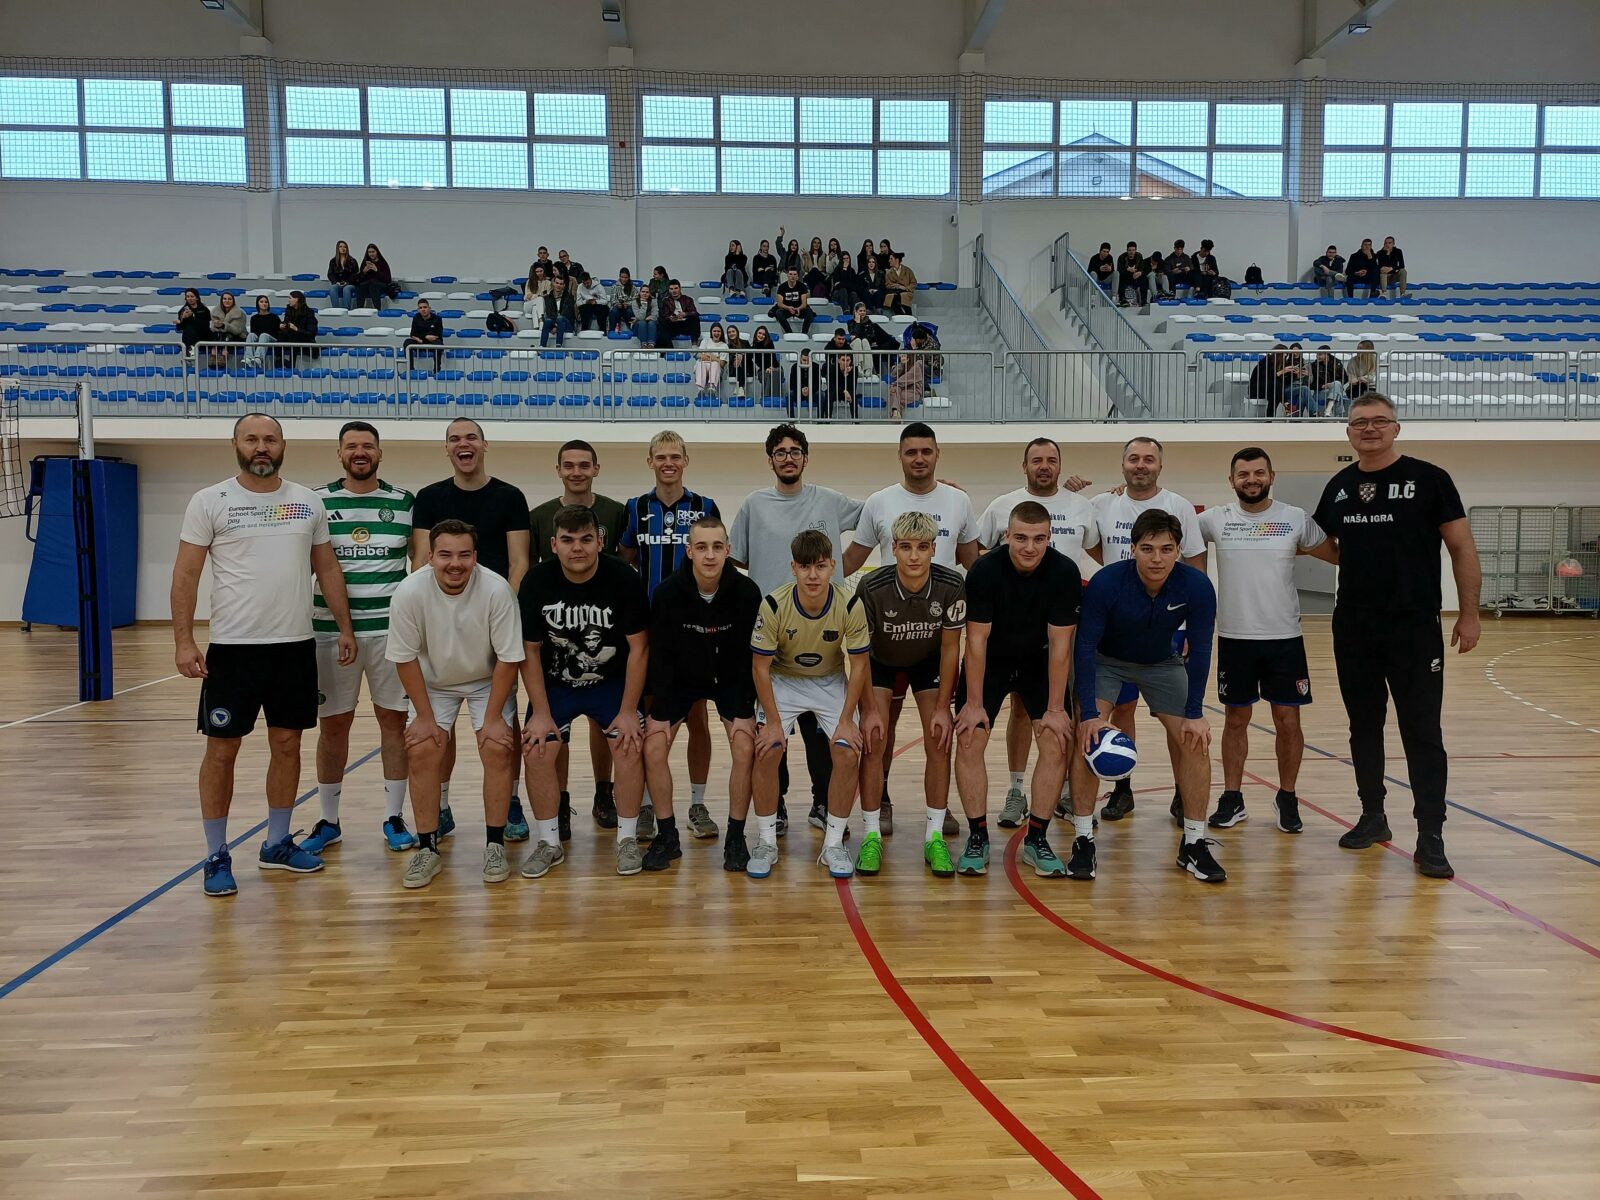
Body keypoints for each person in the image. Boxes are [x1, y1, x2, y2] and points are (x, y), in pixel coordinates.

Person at [170, 413, 356, 897]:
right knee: (222, 751)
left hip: (294, 648)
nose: (261, 447)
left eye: (270, 439)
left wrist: (344, 627)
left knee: (288, 745)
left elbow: (327, 569)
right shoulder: (210, 501)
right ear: (235, 444)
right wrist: (184, 641)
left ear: (282, 445)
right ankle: (216, 853)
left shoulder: (307, 501)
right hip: (233, 651)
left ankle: (276, 843)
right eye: (251, 438)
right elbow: (186, 574)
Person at [1312, 393, 1481, 879]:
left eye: (1379, 421)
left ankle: (1431, 834)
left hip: (1413, 627)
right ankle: (1373, 815)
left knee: (1422, 731)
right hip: (1354, 626)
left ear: (1395, 428)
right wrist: (1355, 559)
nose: (1369, 429)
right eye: (1359, 422)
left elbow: (1461, 547)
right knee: (1363, 726)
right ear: (1348, 432)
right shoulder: (1340, 487)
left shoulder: (1430, 479)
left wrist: (1469, 614)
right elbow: (1322, 541)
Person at [730, 424, 865, 837]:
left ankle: (823, 802)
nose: (788, 458)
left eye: (795, 451)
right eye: (780, 452)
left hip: (822, 636)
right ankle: (778, 805)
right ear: (770, 459)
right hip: (772, 635)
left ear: (805, 457)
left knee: (819, 734)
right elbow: (738, 557)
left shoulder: (830, 500)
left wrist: (934, 493)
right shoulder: (754, 505)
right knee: (774, 733)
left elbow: (877, 515)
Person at [844, 423, 978, 835]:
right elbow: (852, 559)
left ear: (937, 454)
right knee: (878, 732)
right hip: (886, 637)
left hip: (933, 638)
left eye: (926, 451)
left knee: (939, 733)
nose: (919, 458)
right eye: (911, 451)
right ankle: (880, 800)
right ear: (900, 456)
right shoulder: (880, 502)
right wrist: (810, 588)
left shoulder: (959, 500)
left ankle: (939, 809)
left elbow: (974, 561)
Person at [1074, 511, 1222, 882]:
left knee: (1195, 740)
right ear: (1133, 549)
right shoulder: (1107, 582)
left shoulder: (1197, 586)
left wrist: (1195, 712)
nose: (1157, 558)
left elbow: (1201, 649)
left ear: (1178, 551)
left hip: (1162, 663)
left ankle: (1194, 843)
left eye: (1166, 549)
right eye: (1148, 548)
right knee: (1087, 737)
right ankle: (1082, 840)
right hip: (1106, 661)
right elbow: (1085, 646)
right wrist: (1089, 713)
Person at [1199, 447, 1338, 834]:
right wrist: (1117, 494)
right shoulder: (1214, 519)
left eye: (1259, 473)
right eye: (1243, 474)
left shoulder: (1295, 518)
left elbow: (1339, 555)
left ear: (1271, 477)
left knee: (1288, 721)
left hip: (1284, 639)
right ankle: (1232, 797)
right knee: (1235, 720)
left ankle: (1287, 797)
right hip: (1235, 637)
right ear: (1231, 480)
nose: (1251, 480)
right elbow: (1167, 527)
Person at [300, 421, 418, 859]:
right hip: (331, 635)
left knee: (394, 723)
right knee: (334, 727)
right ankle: (328, 820)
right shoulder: (316, 501)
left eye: (368, 446)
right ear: (340, 454)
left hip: (392, 635)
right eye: (351, 446)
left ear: (380, 454)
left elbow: (420, 565)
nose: (360, 452)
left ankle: (393, 816)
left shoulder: (404, 502)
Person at [411, 417, 532, 840]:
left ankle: (510, 801)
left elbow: (519, 562)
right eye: (454, 439)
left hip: (493, 627)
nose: (463, 444)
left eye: (471, 437)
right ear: (447, 449)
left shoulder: (510, 496)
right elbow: (420, 561)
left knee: (501, 727)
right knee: (437, 730)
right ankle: (441, 805)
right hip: (440, 630)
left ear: (484, 445)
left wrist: (498, 617)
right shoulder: (429, 498)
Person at [386, 519, 523, 889]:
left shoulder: (497, 590)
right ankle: (427, 848)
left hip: (487, 680)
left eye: (464, 555)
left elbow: (509, 658)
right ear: (430, 557)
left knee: (496, 746)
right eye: (445, 555)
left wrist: (493, 719)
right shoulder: (409, 592)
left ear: (475, 557)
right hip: (433, 683)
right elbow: (404, 658)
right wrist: (424, 718)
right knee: (422, 749)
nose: (455, 563)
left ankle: (495, 845)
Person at [519, 505, 650, 878]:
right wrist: (540, 712)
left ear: (600, 541)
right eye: (568, 540)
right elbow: (529, 651)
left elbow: (639, 648)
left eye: (586, 539)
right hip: (556, 685)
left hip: (610, 684)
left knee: (628, 742)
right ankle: (549, 843)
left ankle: (627, 839)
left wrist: (629, 710)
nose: (577, 548)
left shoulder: (623, 578)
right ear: (554, 544)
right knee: (538, 748)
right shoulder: (536, 581)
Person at [975, 437, 1101, 827]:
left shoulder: (1081, 506)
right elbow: (976, 553)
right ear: (1024, 465)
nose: (1044, 466)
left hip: (1064, 627)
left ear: (1060, 466)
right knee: (1020, 709)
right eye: (1036, 460)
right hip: (1013, 631)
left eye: (1051, 460)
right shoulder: (1002, 505)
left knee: (1067, 709)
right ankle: (1016, 791)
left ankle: (1064, 792)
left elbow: (1101, 554)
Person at [952, 502, 1081, 878]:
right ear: (1007, 535)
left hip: (1039, 662)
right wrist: (973, 704)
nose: (1029, 547)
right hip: (991, 662)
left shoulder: (1064, 572)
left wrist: (1055, 709)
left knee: (1056, 740)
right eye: (1021, 538)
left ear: (1049, 538)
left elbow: (1060, 645)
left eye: (1039, 539)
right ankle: (978, 837)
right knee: (970, 737)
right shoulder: (984, 570)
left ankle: (1037, 839)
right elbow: (976, 641)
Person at [1088, 436, 1206, 823]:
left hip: (1169, 625)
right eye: (1134, 459)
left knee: (1176, 717)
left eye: (1149, 459)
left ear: (1160, 466)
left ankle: (1182, 791)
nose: (1141, 465)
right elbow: (1095, 549)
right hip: (1118, 626)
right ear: (1123, 464)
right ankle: (1122, 788)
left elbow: (1195, 564)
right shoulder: (1102, 504)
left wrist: (1188, 626)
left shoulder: (1179, 506)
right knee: (1121, 708)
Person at [748, 530, 873, 880]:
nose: (813, 575)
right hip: (783, 679)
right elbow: (759, 668)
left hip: (829, 680)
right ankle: (766, 842)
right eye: (805, 567)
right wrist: (774, 723)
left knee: (847, 752)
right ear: (793, 568)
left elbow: (859, 665)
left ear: (832, 566)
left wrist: (847, 720)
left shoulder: (850, 604)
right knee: (768, 749)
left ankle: (833, 844)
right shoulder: (774, 605)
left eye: (820, 566)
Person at [645, 515, 760, 870]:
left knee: (745, 746)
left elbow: (751, 657)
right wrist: (658, 712)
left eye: (717, 547)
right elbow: (660, 656)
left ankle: (736, 837)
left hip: (730, 680)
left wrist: (746, 709)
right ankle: (667, 836)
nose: (709, 555)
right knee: (654, 746)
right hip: (680, 680)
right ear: (689, 551)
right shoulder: (667, 593)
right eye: (702, 547)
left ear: (727, 550)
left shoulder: (747, 592)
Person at [621, 430, 720, 837]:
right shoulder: (635, 507)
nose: (668, 463)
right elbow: (628, 556)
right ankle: (647, 805)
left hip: (695, 628)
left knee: (698, 716)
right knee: (651, 717)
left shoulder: (704, 506)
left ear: (685, 461)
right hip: (650, 630)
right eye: (660, 457)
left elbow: (715, 556)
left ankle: (697, 803)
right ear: (650, 462)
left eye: (675, 456)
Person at [856, 512, 965, 877]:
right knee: (874, 739)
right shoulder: (872, 586)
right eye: (905, 547)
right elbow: (860, 653)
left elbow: (951, 648)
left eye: (921, 547)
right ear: (893, 549)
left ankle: (934, 836)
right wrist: (869, 709)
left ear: (934, 548)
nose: (914, 556)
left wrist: (944, 707)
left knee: (939, 738)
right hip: (881, 662)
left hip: (927, 662)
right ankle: (871, 835)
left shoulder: (951, 584)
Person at [528, 439, 627, 834]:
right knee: (557, 732)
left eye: (584, 465)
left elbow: (625, 565)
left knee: (605, 726)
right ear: (558, 470)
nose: (576, 472)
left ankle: (604, 793)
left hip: (601, 629)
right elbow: (530, 571)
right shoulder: (539, 516)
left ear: (596, 469)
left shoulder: (616, 512)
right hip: (557, 632)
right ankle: (562, 800)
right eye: (568, 465)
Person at [1247, 344, 1315, 418]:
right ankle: (1287, 406)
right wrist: (1282, 371)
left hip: (1272, 389)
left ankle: (1273, 416)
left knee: (1276, 391)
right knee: (1277, 387)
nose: (1285, 357)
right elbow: (1265, 379)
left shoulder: (1280, 363)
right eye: (1284, 355)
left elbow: (1283, 382)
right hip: (1258, 389)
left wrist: (1296, 375)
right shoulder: (1266, 361)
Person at [655, 279, 700, 348]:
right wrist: (670, 318)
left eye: (676, 288)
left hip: (685, 324)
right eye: (671, 289)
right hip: (673, 325)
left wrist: (685, 314)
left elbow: (694, 312)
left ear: (680, 289)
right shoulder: (666, 301)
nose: (674, 291)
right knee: (661, 321)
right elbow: (664, 315)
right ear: (669, 290)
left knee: (695, 318)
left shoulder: (688, 299)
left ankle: (694, 344)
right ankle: (670, 349)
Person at [403, 297, 444, 371]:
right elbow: (413, 334)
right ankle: (410, 369)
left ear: (429, 308)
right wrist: (426, 336)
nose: (423, 309)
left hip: (432, 343)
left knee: (438, 343)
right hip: (420, 342)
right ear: (418, 310)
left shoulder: (437, 319)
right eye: (420, 308)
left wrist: (421, 337)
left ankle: (437, 370)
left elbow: (438, 335)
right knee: (407, 342)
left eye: (425, 307)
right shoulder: (416, 318)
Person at [769, 267, 813, 335]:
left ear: (797, 276)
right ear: (787, 275)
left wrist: (799, 308)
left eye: (795, 274)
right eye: (791, 274)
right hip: (787, 309)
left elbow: (804, 304)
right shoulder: (782, 287)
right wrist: (788, 308)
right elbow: (780, 304)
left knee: (809, 312)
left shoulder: (802, 286)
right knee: (779, 313)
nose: (793, 276)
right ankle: (789, 333)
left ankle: (804, 333)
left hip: (799, 309)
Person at [207, 290, 245, 368]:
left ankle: (224, 355)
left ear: (233, 301)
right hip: (221, 337)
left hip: (237, 337)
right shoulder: (215, 312)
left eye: (229, 299)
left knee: (227, 335)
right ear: (221, 300)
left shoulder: (240, 313)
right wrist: (217, 326)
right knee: (214, 334)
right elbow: (212, 328)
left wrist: (223, 325)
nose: (227, 301)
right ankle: (213, 354)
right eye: (225, 299)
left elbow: (237, 330)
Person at [277, 290, 318, 361]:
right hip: (291, 339)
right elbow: (286, 322)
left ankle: (290, 364)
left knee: (294, 339)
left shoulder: (309, 312)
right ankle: (279, 360)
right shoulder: (289, 310)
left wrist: (296, 329)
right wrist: (282, 325)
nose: (288, 300)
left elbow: (311, 332)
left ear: (296, 299)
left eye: (290, 298)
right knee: (281, 336)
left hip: (305, 340)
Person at [1308, 345, 1348, 416]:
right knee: (1337, 393)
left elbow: (1345, 378)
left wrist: (1331, 385)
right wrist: (1322, 386)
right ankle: (1335, 416)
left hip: (1334, 389)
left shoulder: (1337, 363)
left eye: (1320, 354)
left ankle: (1328, 410)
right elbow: (1311, 384)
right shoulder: (1314, 365)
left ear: (1327, 354)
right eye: (1317, 354)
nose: (1317, 356)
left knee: (1337, 384)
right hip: (1321, 390)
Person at [540, 276, 577, 348]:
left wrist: (556, 326)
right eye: (557, 283)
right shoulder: (548, 298)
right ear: (553, 283)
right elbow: (550, 313)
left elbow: (567, 314)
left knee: (560, 318)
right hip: (554, 323)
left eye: (561, 284)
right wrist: (554, 326)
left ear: (564, 285)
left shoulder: (569, 297)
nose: (558, 285)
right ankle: (542, 346)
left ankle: (558, 346)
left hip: (567, 324)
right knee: (547, 321)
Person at [354, 243, 392, 310]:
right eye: (369, 252)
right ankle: (359, 309)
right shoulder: (365, 263)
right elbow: (360, 279)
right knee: (361, 287)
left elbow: (387, 279)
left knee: (373, 285)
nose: (371, 254)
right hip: (368, 285)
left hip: (381, 285)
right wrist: (364, 272)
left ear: (377, 252)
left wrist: (376, 270)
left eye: (373, 252)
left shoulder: (383, 262)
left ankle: (377, 310)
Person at [825, 350, 861, 421]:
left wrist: (846, 375)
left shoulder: (854, 370)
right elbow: (831, 385)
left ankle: (855, 421)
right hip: (835, 391)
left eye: (848, 360)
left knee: (853, 395)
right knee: (829, 394)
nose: (845, 362)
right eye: (843, 360)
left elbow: (853, 387)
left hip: (848, 392)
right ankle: (827, 420)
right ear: (838, 360)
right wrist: (844, 391)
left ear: (851, 361)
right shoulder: (832, 368)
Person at [886, 351, 923, 419]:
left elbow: (905, 379)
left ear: (909, 358)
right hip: (902, 389)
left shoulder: (916, 367)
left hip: (914, 391)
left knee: (894, 395)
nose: (901, 358)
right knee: (894, 390)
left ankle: (895, 413)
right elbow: (893, 375)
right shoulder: (903, 366)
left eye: (903, 356)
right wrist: (901, 364)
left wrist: (894, 384)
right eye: (901, 357)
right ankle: (896, 413)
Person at [749, 325, 782, 400]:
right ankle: (768, 399)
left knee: (774, 372)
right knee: (767, 374)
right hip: (763, 371)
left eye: (764, 334)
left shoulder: (769, 344)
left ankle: (772, 399)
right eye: (759, 333)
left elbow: (774, 360)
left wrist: (771, 367)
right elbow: (748, 357)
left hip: (775, 368)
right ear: (756, 334)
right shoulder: (753, 347)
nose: (761, 336)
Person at [244, 294, 280, 364]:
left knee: (264, 335)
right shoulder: (254, 318)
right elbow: (254, 333)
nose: (264, 303)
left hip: (272, 339)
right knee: (251, 335)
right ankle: (248, 358)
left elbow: (277, 332)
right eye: (261, 302)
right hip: (260, 339)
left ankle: (259, 359)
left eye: (266, 302)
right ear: (258, 304)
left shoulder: (274, 317)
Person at [175, 288, 210, 358]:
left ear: (197, 298)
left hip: (203, 335)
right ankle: (191, 353)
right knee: (189, 329)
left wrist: (192, 317)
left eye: (192, 296)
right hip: (190, 337)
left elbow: (205, 325)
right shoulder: (182, 311)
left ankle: (191, 352)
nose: (189, 298)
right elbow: (179, 328)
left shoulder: (204, 310)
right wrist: (183, 319)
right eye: (187, 297)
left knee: (192, 329)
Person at [695, 322, 726, 399]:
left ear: (721, 333)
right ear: (711, 332)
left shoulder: (724, 346)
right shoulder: (705, 341)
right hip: (703, 365)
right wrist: (716, 358)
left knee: (715, 364)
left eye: (718, 331)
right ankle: (700, 389)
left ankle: (712, 388)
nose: (716, 333)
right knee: (701, 363)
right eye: (714, 331)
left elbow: (722, 363)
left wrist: (709, 355)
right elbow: (699, 355)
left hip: (717, 367)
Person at [326, 240, 359, 309]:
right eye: (340, 247)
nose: (343, 248)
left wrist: (347, 282)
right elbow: (330, 274)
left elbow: (356, 274)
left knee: (346, 289)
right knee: (332, 288)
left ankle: (346, 310)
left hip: (350, 284)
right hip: (338, 283)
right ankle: (336, 309)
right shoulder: (333, 261)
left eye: (344, 247)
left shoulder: (352, 261)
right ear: (337, 248)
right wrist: (336, 282)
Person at [788, 347, 820, 419]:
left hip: (812, 392)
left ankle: (820, 420)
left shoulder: (816, 367)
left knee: (822, 395)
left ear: (812, 359)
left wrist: (810, 390)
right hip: (798, 392)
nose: (806, 363)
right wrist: (801, 390)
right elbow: (792, 385)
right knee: (789, 395)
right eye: (804, 360)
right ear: (800, 359)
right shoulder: (794, 367)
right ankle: (791, 419)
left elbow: (818, 384)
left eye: (808, 361)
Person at [1346, 339, 1378, 404]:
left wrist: (1359, 379)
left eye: (1360, 348)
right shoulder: (1352, 360)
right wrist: (1357, 380)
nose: (1357, 350)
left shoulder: (1374, 360)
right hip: (1355, 387)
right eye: (1357, 348)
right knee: (1361, 387)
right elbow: (1351, 377)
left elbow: (1372, 377)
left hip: (1370, 387)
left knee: (1364, 387)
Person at [607, 268, 639, 333]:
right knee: (614, 312)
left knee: (629, 312)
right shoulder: (614, 286)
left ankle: (634, 331)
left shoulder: (633, 287)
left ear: (628, 277)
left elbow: (636, 300)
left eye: (626, 277)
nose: (624, 279)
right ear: (619, 277)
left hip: (629, 307)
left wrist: (628, 304)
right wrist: (617, 304)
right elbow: (613, 300)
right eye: (622, 277)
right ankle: (612, 332)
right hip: (618, 307)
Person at [1117, 241, 1148, 307]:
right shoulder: (1122, 257)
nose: (1131, 252)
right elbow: (1119, 270)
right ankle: (1122, 299)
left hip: (1136, 276)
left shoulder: (1139, 256)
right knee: (1120, 279)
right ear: (1127, 250)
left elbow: (1142, 268)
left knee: (1144, 278)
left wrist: (1140, 273)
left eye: (1133, 250)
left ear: (1136, 250)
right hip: (1126, 276)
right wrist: (1127, 270)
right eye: (1130, 250)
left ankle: (1144, 300)